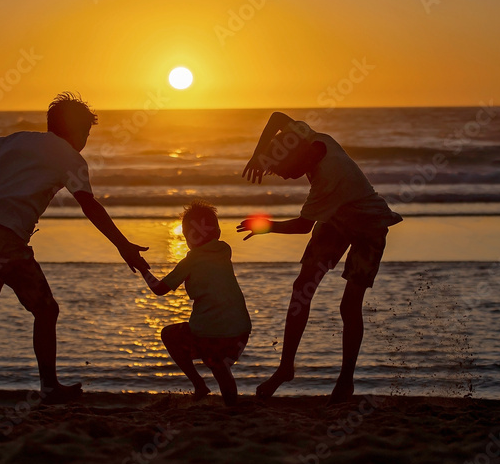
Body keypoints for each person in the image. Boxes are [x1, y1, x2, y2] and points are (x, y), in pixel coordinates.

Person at [0, 92, 149, 403]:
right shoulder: (71, 159)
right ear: (76, 131)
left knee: (6, 274)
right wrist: (122, 244)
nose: (86, 139)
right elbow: (90, 205)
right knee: (45, 308)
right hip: (6, 236)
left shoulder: (18, 139)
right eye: (86, 132)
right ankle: (47, 387)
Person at [237, 112, 402, 404]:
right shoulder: (303, 135)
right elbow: (276, 117)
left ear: (295, 159)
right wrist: (258, 155)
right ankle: (285, 368)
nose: (281, 176)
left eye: (282, 170)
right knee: (302, 288)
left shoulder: (327, 177)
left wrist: (264, 226)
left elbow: (302, 226)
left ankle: (346, 381)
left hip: (369, 224)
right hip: (336, 218)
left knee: (349, 305)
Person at [139, 199, 251, 405]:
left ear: (186, 236)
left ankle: (199, 384)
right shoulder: (224, 250)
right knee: (220, 368)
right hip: (241, 330)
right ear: (217, 233)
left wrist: (142, 269)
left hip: (210, 331)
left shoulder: (189, 262)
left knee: (169, 335)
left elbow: (159, 289)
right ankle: (231, 407)